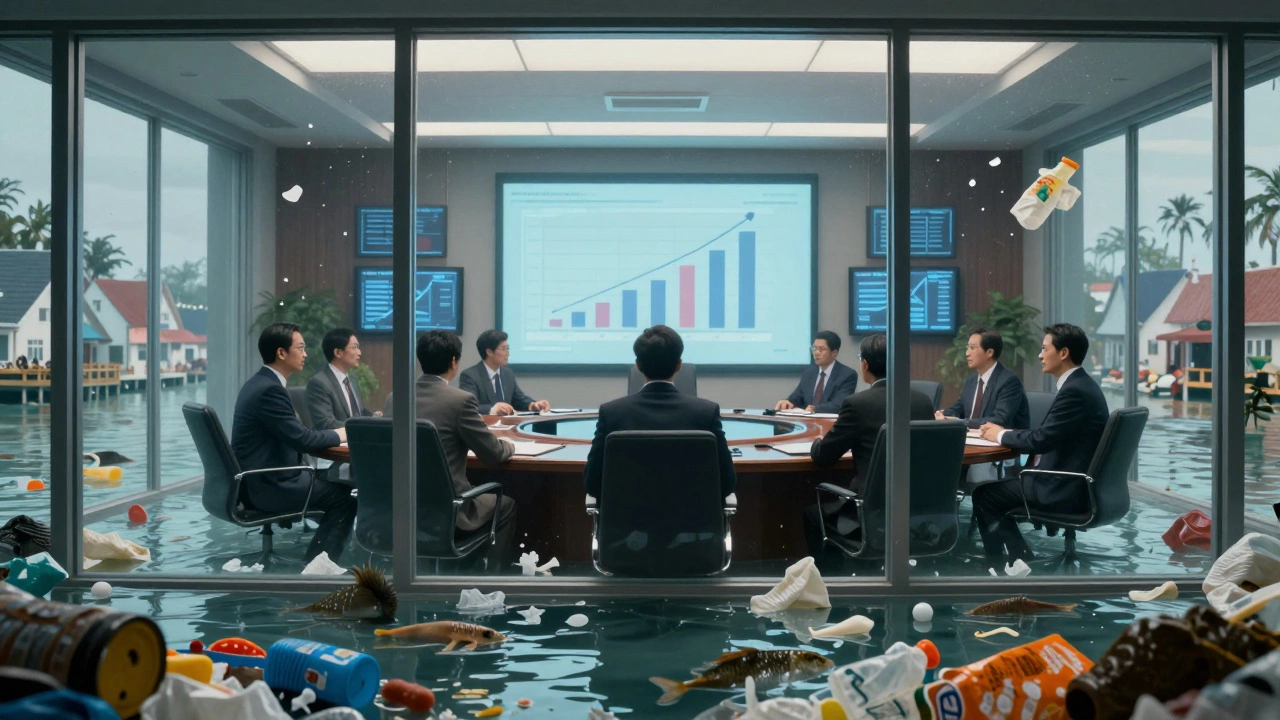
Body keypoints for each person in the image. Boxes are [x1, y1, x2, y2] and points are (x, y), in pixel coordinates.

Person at [974, 323, 1109, 570]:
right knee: (1000, 486)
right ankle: (1019, 556)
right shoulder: (1081, 386)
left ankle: (1006, 566)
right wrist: (1006, 433)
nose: (1039, 355)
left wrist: (1000, 435)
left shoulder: (1075, 392)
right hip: (1076, 483)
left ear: (1064, 353)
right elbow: (1045, 435)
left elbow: (1041, 440)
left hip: (1063, 488)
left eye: (1045, 348)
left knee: (985, 496)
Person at [231, 323, 356, 562]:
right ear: (281, 353)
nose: (306, 354)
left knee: (335, 484)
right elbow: (304, 439)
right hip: (271, 485)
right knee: (347, 496)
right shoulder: (270, 390)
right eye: (300, 347)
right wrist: (345, 432)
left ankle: (327, 554)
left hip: (260, 479)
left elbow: (297, 435)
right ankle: (318, 566)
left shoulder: (259, 384)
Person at [804, 333, 936, 559]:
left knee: (812, 515)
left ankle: (832, 586)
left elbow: (824, 456)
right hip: (920, 512)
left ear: (865, 364)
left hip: (871, 511)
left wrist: (815, 442)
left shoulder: (857, 404)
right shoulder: (923, 401)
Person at [584, 325, 736, 500]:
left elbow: (592, 484)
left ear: (638, 366)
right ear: (679, 365)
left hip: (627, 525)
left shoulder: (611, 413)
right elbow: (727, 484)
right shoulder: (706, 413)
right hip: (692, 525)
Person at [412, 330, 518, 567]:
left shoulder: (395, 399)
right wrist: (509, 445)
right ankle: (488, 583)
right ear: (453, 362)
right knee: (506, 504)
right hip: (450, 511)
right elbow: (493, 453)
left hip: (403, 509)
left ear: (421, 360)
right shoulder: (460, 400)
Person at [937, 327, 1030, 429]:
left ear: (989, 352)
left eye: (972, 348)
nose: (967, 353)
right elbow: (958, 409)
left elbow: (1000, 420)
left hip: (1001, 443)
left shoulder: (1009, 382)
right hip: (972, 439)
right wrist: (942, 415)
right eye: (967, 347)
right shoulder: (971, 381)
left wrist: (963, 422)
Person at [458, 329, 549, 416]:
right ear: (489, 352)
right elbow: (469, 407)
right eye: (503, 349)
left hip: (509, 427)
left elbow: (518, 399)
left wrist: (534, 405)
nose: (507, 353)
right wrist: (493, 409)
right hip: (484, 428)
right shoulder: (470, 376)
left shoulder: (507, 373)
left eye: (508, 348)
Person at [306, 327, 381, 431]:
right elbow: (326, 423)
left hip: (355, 440)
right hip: (334, 445)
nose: (359, 352)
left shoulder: (352, 380)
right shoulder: (319, 383)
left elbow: (358, 413)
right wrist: (361, 427)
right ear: (338, 353)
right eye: (354, 347)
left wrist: (374, 417)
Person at [775, 330, 859, 413]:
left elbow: (839, 404)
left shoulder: (847, 375)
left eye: (821, 349)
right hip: (807, 423)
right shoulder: (809, 373)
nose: (816, 353)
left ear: (834, 353)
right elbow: (797, 397)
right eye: (814, 348)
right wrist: (787, 402)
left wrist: (814, 409)